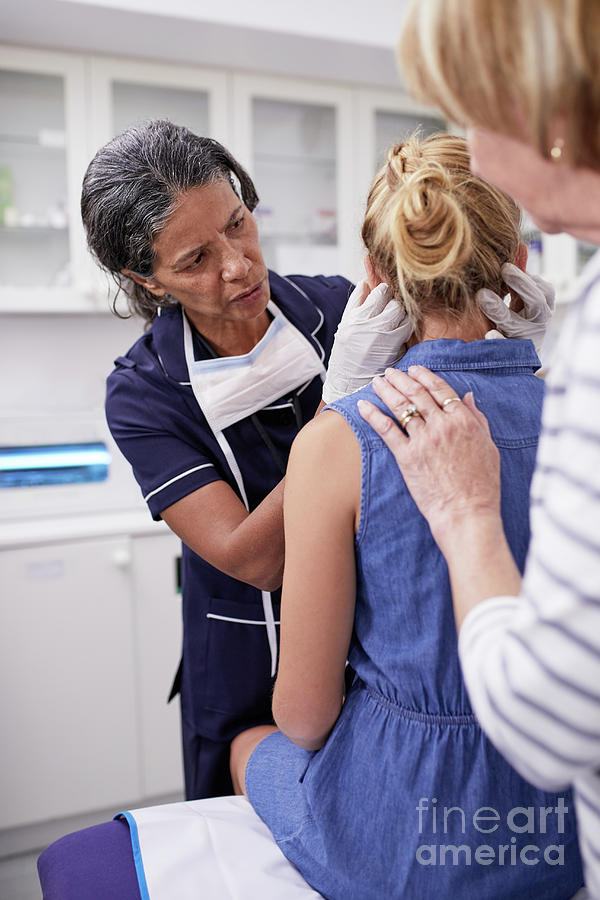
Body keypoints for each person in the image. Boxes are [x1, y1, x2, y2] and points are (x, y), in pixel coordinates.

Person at [229, 133, 584, 899]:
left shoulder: (338, 442)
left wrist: (338, 404)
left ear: (375, 280)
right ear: (520, 265)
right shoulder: (580, 414)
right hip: (561, 821)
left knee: (252, 745)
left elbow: (306, 717)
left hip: (413, 838)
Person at [81, 119, 401, 800]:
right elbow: (255, 558)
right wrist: (338, 404)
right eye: (195, 259)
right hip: (250, 667)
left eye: (238, 224)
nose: (237, 263)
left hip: (380, 649)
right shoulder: (145, 394)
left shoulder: (339, 310)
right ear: (148, 279)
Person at [357, 1, 600, 896]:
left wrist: (467, 512)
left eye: (477, 109)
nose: (479, 149)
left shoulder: (347, 436)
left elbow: (547, 722)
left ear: (557, 111)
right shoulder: (554, 371)